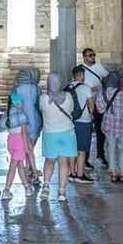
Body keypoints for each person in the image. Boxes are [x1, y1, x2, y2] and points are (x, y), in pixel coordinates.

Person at [40, 72, 77, 201]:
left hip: (50, 133)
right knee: (63, 162)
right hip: (67, 132)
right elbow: (71, 110)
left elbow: (42, 110)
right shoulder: (68, 96)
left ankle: (46, 186)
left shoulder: (43, 98)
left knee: (49, 161)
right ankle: (61, 192)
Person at [96, 70, 123, 183]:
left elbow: (100, 110)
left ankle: (113, 173)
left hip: (109, 125)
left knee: (110, 148)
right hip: (121, 126)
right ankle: (122, 172)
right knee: (122, 149)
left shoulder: (102, 94)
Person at [79, 48, 109, 168]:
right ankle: (85, 158)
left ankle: (100, 154)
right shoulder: (80, 69)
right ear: (84, 57)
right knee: (87, 131)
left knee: (100, 130)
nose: (92, 57)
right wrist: (89, 89)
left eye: (93, 55)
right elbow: (78, 84)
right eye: (90, 55)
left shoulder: (98, 67)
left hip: (98, 103)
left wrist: (101, 87)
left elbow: (107, 77)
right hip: (86, 103)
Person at [2, 91, 35, 198]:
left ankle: (27, 187)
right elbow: (23, 133)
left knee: (19, 164)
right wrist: (26, 147)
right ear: (18, 103)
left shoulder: (7, 114)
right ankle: (6, 189)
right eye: (22, 102)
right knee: (13, 166)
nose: (23, 104)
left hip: (11, 141)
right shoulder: (21, 116)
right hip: (19, 142)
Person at [67, 65, 97, 183]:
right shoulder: (86, 88)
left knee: (72, 149)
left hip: (71, 122)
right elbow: (91, 104)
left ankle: (71, 173)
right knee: (82, 150)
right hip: (84, 121)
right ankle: (79, 174)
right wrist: (91, 114)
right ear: (81, 75)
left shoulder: (67, 87)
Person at [14, 67, 43, 186]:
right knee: (31, 147)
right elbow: (39, 104)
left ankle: (29, 168)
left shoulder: (16, 89)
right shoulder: (35, 88)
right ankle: (30, 170)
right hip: (34, 120)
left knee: (27, 147)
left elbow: (14, 105)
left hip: (21, 122)